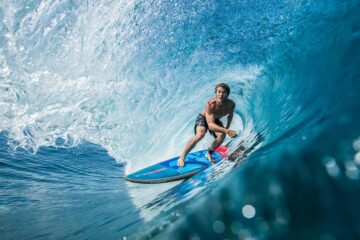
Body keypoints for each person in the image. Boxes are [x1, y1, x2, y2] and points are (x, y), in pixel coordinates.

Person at [177, 83, 237, 167]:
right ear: (216, 92)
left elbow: (230, 115)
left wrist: (227, 128)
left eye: (223, 92)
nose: (221, 95)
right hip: (203, 119)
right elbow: (211, 125)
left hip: (215, 120)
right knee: (200, 134)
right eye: (219, 92)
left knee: (222, 135)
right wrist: (227, 131)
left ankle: (208, 153)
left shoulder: (231, 104)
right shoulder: (211, 104)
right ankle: (182, 157)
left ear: (227, 94)